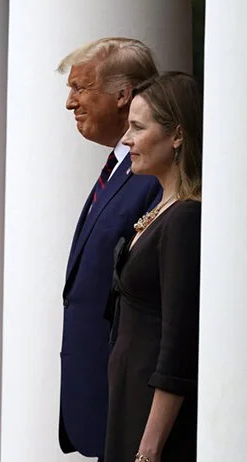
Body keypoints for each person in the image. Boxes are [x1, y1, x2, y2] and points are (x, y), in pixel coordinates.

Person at [57, 38, 162, 461]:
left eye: (81, 88)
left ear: (123, 96)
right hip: (99, 396)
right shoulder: (120, 167)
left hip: (126, 399)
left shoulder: (152, 173)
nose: (70, 103)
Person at [104, 72, 203, 462]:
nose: (126, 140)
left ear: (177, 135)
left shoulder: (184, 219)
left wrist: (149, 448)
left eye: (137, 127)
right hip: (129, 401)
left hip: (152, 421)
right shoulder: (160, 210)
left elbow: (178, 343)